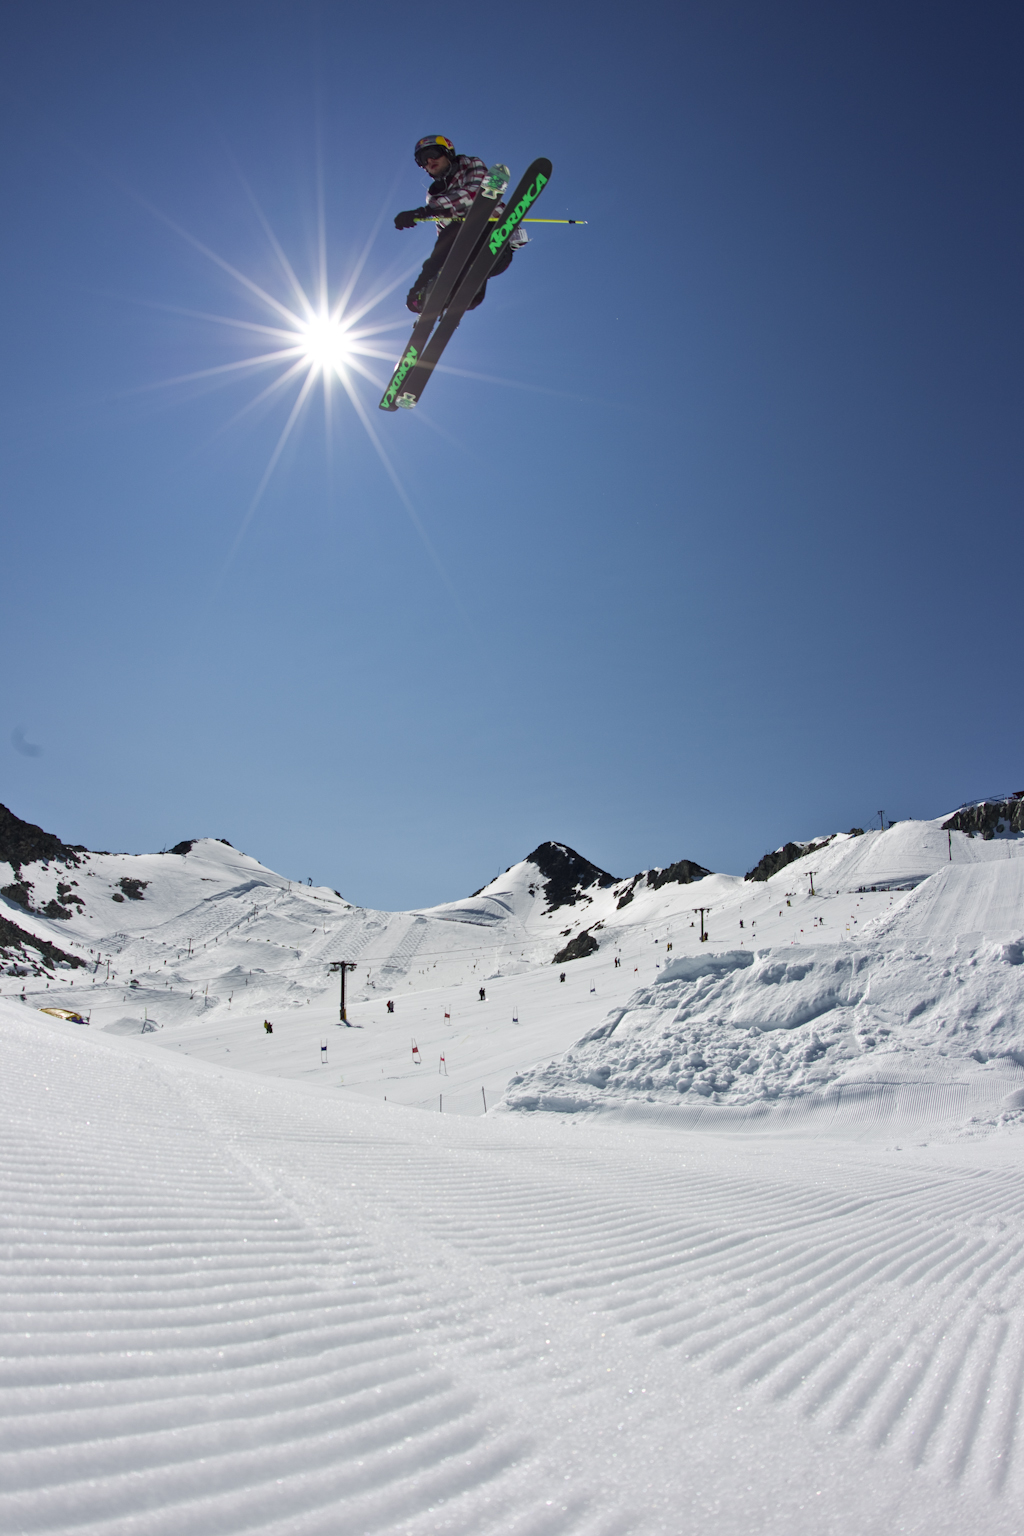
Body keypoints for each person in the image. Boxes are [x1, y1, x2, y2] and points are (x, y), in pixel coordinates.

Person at [394, 135, 527, 314]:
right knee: (447, 242)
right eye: (422, 160)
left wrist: (426, 211)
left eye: (433, 153)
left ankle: (462, 278)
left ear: (447, 152)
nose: (429, 161)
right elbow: (443, 236)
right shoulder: (434, 196)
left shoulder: (470, 164)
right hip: (465, 252)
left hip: (494, 240)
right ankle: (427, 297)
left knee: (459, 229)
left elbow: (474, 193)